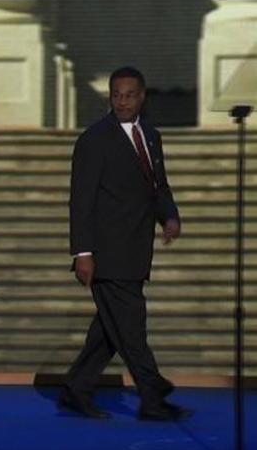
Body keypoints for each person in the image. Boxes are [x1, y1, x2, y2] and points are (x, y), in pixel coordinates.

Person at [59, 66, 193, 421]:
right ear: (110, 97)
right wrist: (83, 253)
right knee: (131, 325)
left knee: (109, 329)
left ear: (142, 96)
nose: (122, 101)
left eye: (129, 94)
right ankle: (153, 393)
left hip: (136, 250)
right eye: (116, 95)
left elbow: (158, 186)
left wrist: (170, 216)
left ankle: (77, 388)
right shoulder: (94, 139)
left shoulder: (151, 136)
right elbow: (81, 201)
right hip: (106, 253)